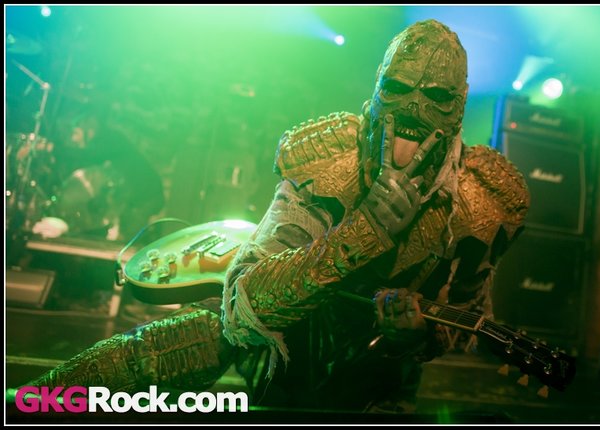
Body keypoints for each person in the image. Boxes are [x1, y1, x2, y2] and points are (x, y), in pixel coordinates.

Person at [20, 20, 529, 414]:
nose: (414, 108)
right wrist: (365, 230)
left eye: (436, 96)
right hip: (283, 344)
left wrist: (415, 335)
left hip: (378, 378)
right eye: (398, 88)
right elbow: (247, 302)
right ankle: (34, 408)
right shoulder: (327, 162)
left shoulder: (484, 204)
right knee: (193, 337)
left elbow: (468, 316)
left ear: (459, 105)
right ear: (377, 89)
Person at [30, 108, 165, 241]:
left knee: (125, 238)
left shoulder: (110, 138)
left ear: (91, 121)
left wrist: (52, 148)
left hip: (146, 196)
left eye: (77, 126)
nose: (74, 136)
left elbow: (87, 157)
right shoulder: (104, 141)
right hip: (137, 196)